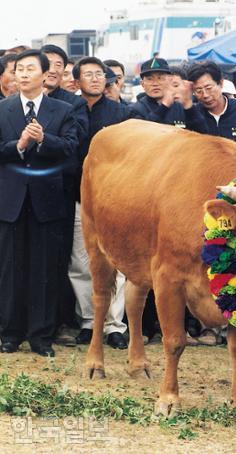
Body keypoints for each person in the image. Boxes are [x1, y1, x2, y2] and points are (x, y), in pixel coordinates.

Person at [0, 49, 79, 357]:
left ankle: (41, 336)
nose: (22, 73)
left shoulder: (62, 110)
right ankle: (9, 333)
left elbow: (71, 148)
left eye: (30, 68)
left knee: (45, 270)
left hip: (48, 201)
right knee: (9, 269)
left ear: (45, 75)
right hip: (10, 201)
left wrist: (45, 139)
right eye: (18, 68)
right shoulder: (2, 108)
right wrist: (17, 145)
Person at [69, 56, 140, 349]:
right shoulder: (67, 110)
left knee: (118, 264)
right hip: (78, 197)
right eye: (89, 74)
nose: (96, 79)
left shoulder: (122, 114)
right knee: (81, 263)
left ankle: (114, 325)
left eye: (100, 74)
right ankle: (88, 321)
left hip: (115, 199)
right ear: (77, 80)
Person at [41, 44, 89, 347]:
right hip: (27, 192)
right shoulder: (15, 103)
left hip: (65, 190)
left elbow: (75, 145)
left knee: (70, 259)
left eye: (60, 63)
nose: (54, 69)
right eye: (49, 63)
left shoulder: (73, 103)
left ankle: (65, 321)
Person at [185, 61, 236, 145]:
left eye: (209, 88)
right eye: (198, 91)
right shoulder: (192, 115)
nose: (205, 95)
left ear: (221, 83)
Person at [130, 57, 188, 127]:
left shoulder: (181, 107)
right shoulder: (135, 110)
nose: (155, 83)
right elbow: (145, 131)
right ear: (142, 84)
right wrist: (164, 107)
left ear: (169, 81)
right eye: (150, 79)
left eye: (160, 78)